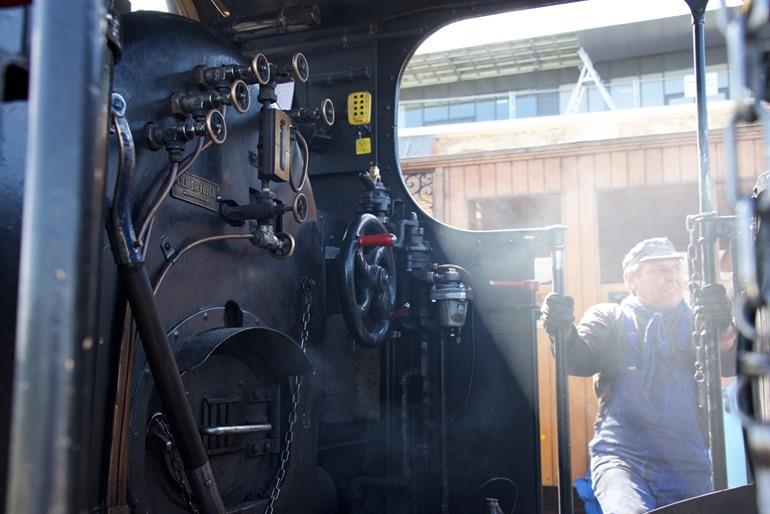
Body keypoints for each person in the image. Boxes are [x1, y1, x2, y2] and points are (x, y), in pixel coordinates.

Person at [541, 237, 736, 514]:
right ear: (631, 279)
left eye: (674, 268)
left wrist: (725, 327)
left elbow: (728, 365)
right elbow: (579, 361)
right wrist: (562, 331)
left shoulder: (697, 320)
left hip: (686, 460)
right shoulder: (610, 317)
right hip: (622, 458)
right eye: (659, 270)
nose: (671, 277)